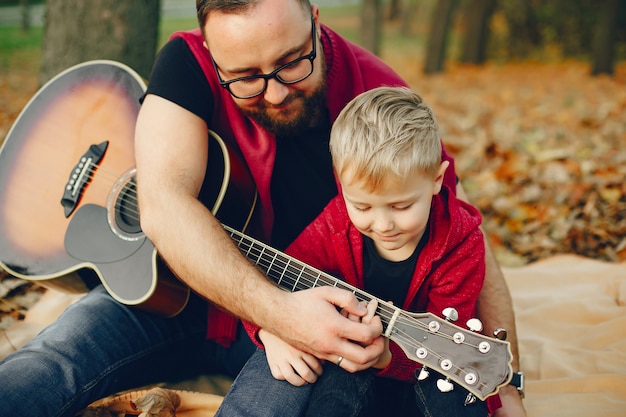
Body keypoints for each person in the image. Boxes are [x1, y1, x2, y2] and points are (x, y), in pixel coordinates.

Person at [0, 1, 525, 416]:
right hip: (164, 299)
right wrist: (276, 314)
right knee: (53, 361)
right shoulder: (185, 64)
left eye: (292, 62)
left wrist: (510, 388)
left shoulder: (377, 99)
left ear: (316, 24)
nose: (274, 94)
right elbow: (162, 203)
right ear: (210, 50)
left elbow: (459, 224)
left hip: (304, 334)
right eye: (246, 77)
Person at [215, 86, 494, 417]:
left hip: (420, 375)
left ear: (437, 180)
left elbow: (448, 344)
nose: (383, 224)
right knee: (318, 362)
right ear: (340, 184)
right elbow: (273, 279)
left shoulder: (460, 242)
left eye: (402, 206)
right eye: (362, 205)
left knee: (459, 400)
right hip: (345, 371)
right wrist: (267, 329)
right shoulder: (336, 222)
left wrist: (387, 357)